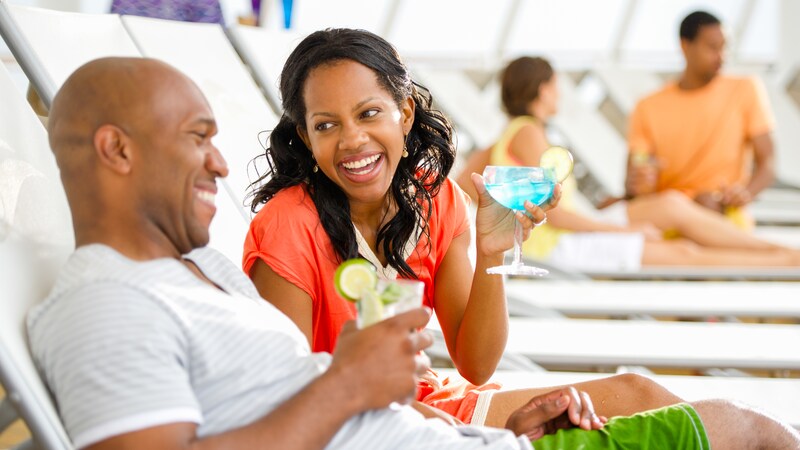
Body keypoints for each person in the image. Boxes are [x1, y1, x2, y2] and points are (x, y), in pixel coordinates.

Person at [28, 56, 800, 450]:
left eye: (370, 113)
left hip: (454, 432)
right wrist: (353, 383)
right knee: (746, 432)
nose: (224, 165)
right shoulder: (104, 305)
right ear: (115, 150)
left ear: (403, 114)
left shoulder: (199, 275)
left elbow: (454, 370)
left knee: (726, 421)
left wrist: (498, 427)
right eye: (199, 139)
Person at [456, 55, 800, 272]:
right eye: (555, 86)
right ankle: (782, 260)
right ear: (543, 89)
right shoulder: (528, 132)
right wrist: (626, 231)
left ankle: (780, 254)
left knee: (671, 206)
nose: (559, 93)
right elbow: (555, 216)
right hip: (558, 245)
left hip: (565, 235)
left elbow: (458, 187)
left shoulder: (507, 138)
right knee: (681, 252)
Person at [626, 10, 776, 228]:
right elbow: (633, 178)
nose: (722, 56)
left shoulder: (746, 89)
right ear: (685, 46)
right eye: (713, 47)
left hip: (724, 211)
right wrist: (637, 184)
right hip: (669, 214)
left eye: (725, 47)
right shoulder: (647, 106)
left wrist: (744, 193)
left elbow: (768, 162)